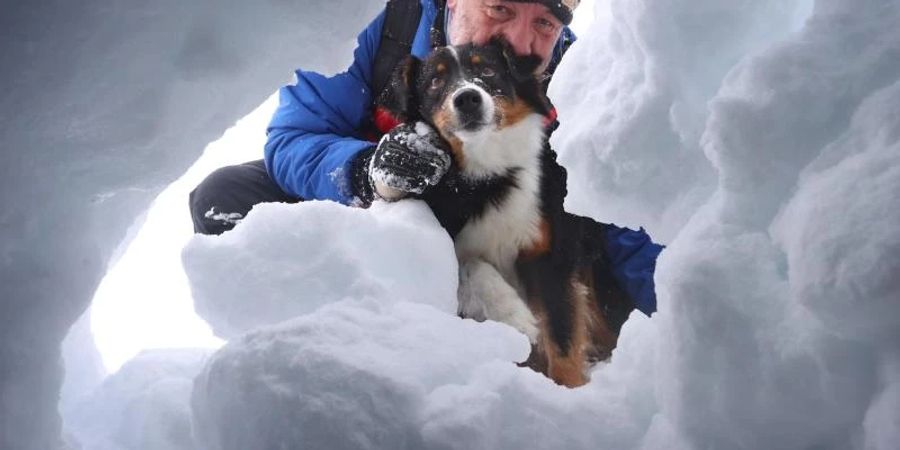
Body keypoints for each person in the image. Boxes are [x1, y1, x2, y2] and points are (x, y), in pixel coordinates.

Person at [189, 0, 663, 316]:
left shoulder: (583, 77)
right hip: (370, 217)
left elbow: (627, 210)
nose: (519, 43)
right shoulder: (374, 24)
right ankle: (318, 349)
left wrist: (688, 303)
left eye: (545, 23)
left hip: (509, 255)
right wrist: (365, 171)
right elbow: (294, 135)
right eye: (500, 7)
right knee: (226, 196)